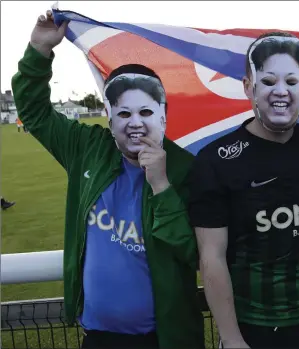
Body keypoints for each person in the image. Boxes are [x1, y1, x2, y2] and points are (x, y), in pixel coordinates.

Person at [12, 11, 204, 349]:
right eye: (123, 113)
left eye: (145, 112)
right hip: (98, 337)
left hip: (164, 339)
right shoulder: (88, 149)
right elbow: (35, 112)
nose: (135, 123)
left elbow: (196, 254)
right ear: (110, 117)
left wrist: (161, 187)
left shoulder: (186, 168)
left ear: (163, 114)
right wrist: (39, 50)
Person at [187, 32, 299, 349]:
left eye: (291, 81)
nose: (281, 91)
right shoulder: (216, 161)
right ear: (249, 87)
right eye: (269, 80)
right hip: (256, 329)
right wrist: (232, 339)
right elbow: (212, 257)